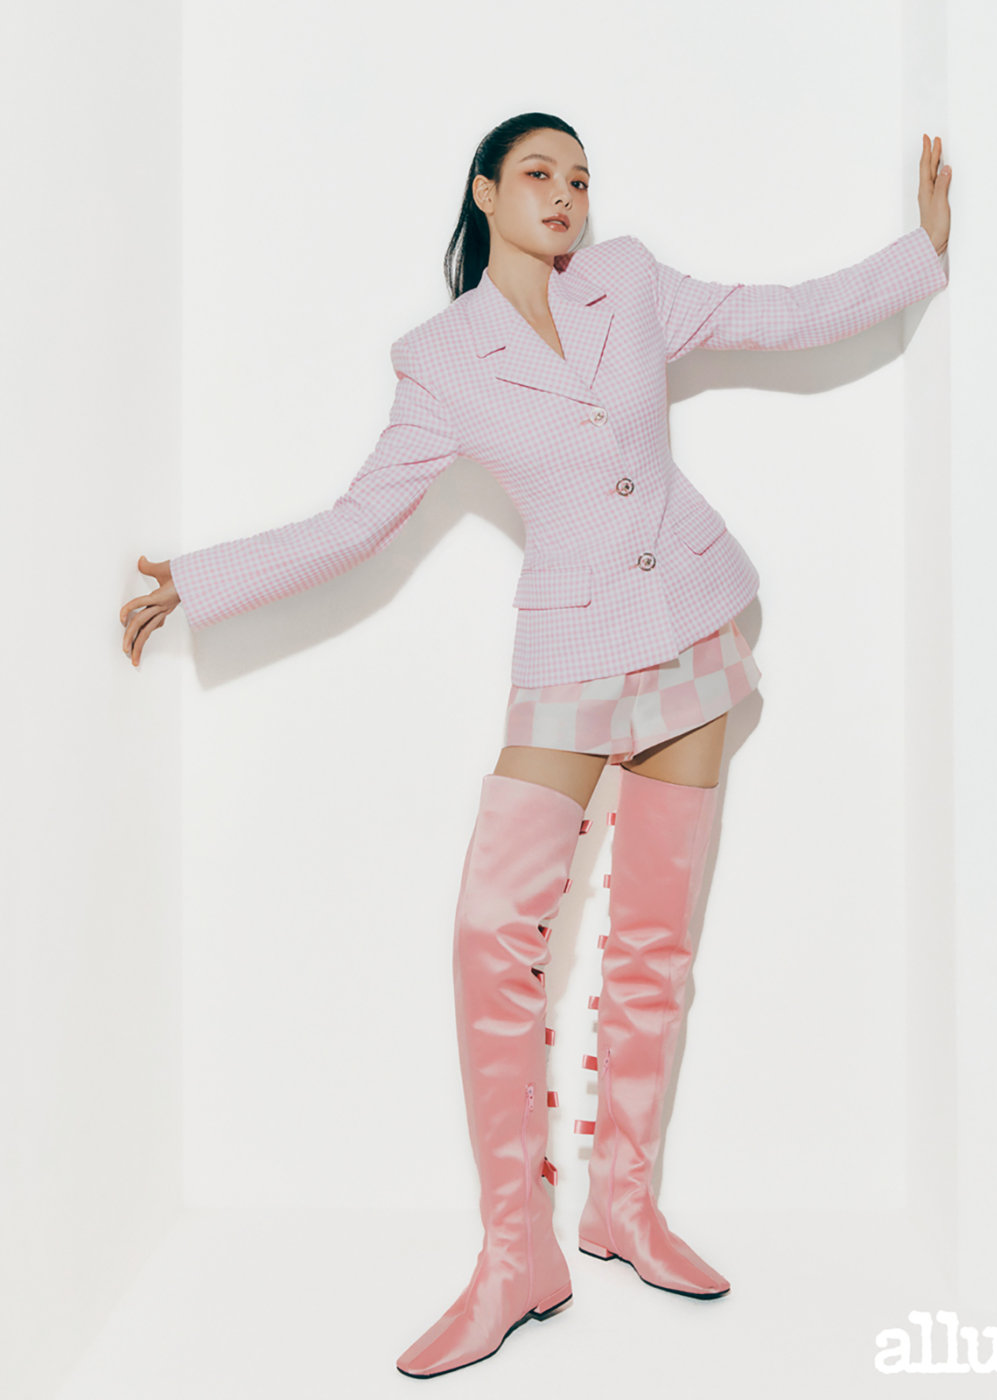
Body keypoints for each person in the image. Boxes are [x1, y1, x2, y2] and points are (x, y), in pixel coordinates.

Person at [119, 111, 952, 1379]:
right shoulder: (440, 360)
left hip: (690, 627)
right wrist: (202, 577)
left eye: (579, 176)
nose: (564, 192)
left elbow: (776, 314)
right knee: (490, 932)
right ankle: (516, 1252)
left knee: (655, 940)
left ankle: (623, 1204)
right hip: (571, 653)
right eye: (537, 174)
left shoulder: (629, 280)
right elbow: (356, 520)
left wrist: (919, 256)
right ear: (484, 192)